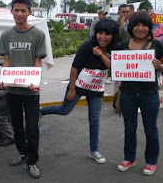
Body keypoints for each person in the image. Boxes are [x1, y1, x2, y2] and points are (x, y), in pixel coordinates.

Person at [40, 18, 119, 163]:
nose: (103, 37)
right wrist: (71, 89)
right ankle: (41, 111)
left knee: (95, 120)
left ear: (113, 35)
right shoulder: (88, 46)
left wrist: (102, 54)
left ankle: (94, 151)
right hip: (78, 85)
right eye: (100, 33)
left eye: (107, 34)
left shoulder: (114, 48)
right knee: (64, 110)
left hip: (96, 89)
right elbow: (74, 67)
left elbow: (114, 68)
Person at [0, 0, 47, 179]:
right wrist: (4, 78)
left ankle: (32, 161)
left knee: (32, 127)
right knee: (17, 126)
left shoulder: (38, 35)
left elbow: (37, 62)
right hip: (12, 90)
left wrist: (35, 82)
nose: (19, 13)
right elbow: (6, 60)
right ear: (11, 12)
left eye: (23, 10)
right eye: (16, 10)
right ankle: (23, 152)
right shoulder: (6, 35)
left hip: (31, 92)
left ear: (29, 12)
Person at [116, 11, 163, 175]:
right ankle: (129, 158)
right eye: (137, 24)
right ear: (131, 27)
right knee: (129, 128)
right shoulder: (123, 47)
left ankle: (151, 161)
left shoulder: (157, 45)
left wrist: (159, 66)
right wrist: (101, 55)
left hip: (149, 94)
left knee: (151, 129)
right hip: (128, 95)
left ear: (149, 27)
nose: (140, 28)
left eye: (144, 25)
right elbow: (115, 66)